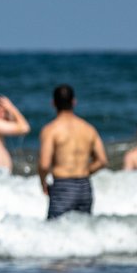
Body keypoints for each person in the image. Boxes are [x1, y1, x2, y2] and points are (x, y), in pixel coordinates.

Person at [38, 84, 108, 219]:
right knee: (83, 229)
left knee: (56, 229)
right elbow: (102, 160)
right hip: (84, 186)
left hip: (62, 185)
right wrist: (86, 171)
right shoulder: (88, 128)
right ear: (74, 102)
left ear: (53, 103)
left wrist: (43, 183)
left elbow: (44, 165)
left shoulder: (50, 130)